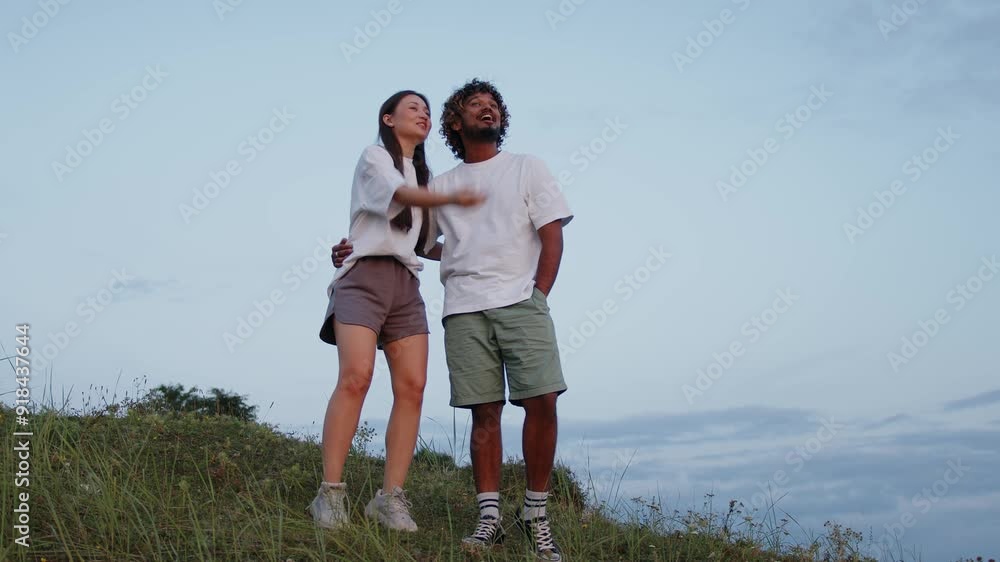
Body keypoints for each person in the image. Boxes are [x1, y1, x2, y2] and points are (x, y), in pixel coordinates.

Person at [332, 79, 572, 561]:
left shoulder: (527, 167)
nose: (487, 109)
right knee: (484, 411)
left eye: (493, 105)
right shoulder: (438, 185)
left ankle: (535, 513)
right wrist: (352, 246)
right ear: (456, 123)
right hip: (462, 307)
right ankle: (489, 519)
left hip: (521, 302)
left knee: (541, 399)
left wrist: (538, 294)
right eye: (475, 105)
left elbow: (552, 235)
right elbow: (417, 244)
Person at [309, 90, 484, 533]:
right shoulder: (374, 158)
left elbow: (425, 246)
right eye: (413, 108)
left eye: (427, 110)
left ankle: (390, 499)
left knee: (413, 387)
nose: (423, 114)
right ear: (388, 118)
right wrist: (452, 200)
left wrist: (483, 252)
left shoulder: (427, 180)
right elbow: (398, 194)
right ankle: (330, 494)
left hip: (406, 286)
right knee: (356, 378)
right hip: (364, 278)